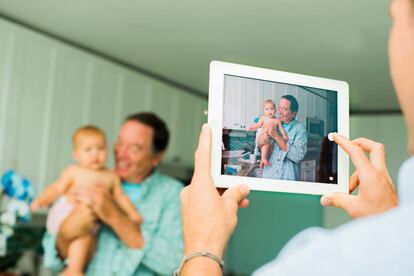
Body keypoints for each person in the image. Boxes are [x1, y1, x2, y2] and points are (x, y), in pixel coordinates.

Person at [178, 0, 414, 274]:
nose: (279, 111)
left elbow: (298, 154)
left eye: (284, 109)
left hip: (288, 173)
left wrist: (202, 243)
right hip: (268, 172)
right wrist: (385, 219)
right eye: (277, 108)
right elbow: (259, 144)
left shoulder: (319, 264)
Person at [42, 112, 184, 275]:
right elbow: (51, 262)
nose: (121, 153)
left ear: (156, 157)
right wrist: (66, 233)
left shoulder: (174, 194)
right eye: (119, 142)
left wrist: (115, 216)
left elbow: (175, 264)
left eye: (134, 148)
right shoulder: (92, 180)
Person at [32, 125, 142, 275]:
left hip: (91, 220)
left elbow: (120, 196)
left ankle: (72, 268)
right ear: (76, 155)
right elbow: (57, 188)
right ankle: (74, 270)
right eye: (88, 150)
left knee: (89, 239)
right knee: (82, 236)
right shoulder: (73, 171)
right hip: (66, 214)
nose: (95, 154)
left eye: (100, 148)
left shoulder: (110, 175)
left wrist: (132, 213)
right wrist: (42, 199)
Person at [261, 95, 307, 180]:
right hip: (268, 176)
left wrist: (276, 136)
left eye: (284, 109)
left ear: (293, 113)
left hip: (287, 179)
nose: (280, 112)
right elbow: (258, 147)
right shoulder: (272, 121)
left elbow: (298, 156)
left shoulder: (300, 128)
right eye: (279, 108)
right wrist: (263, 134)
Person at [248, 99, 288, 167]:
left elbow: (281, 128)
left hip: (271, 139)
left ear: (275, 110)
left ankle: (264, 159)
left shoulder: (277, 120)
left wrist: (284, 135)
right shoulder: (263, 118)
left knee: (268, 147)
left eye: (271, 109)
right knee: (265, 144)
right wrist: (252, 127)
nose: (269, 111)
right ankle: (263, 159)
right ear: (264, 110)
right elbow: (258, 125)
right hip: (263, 136)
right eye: (267, 109)